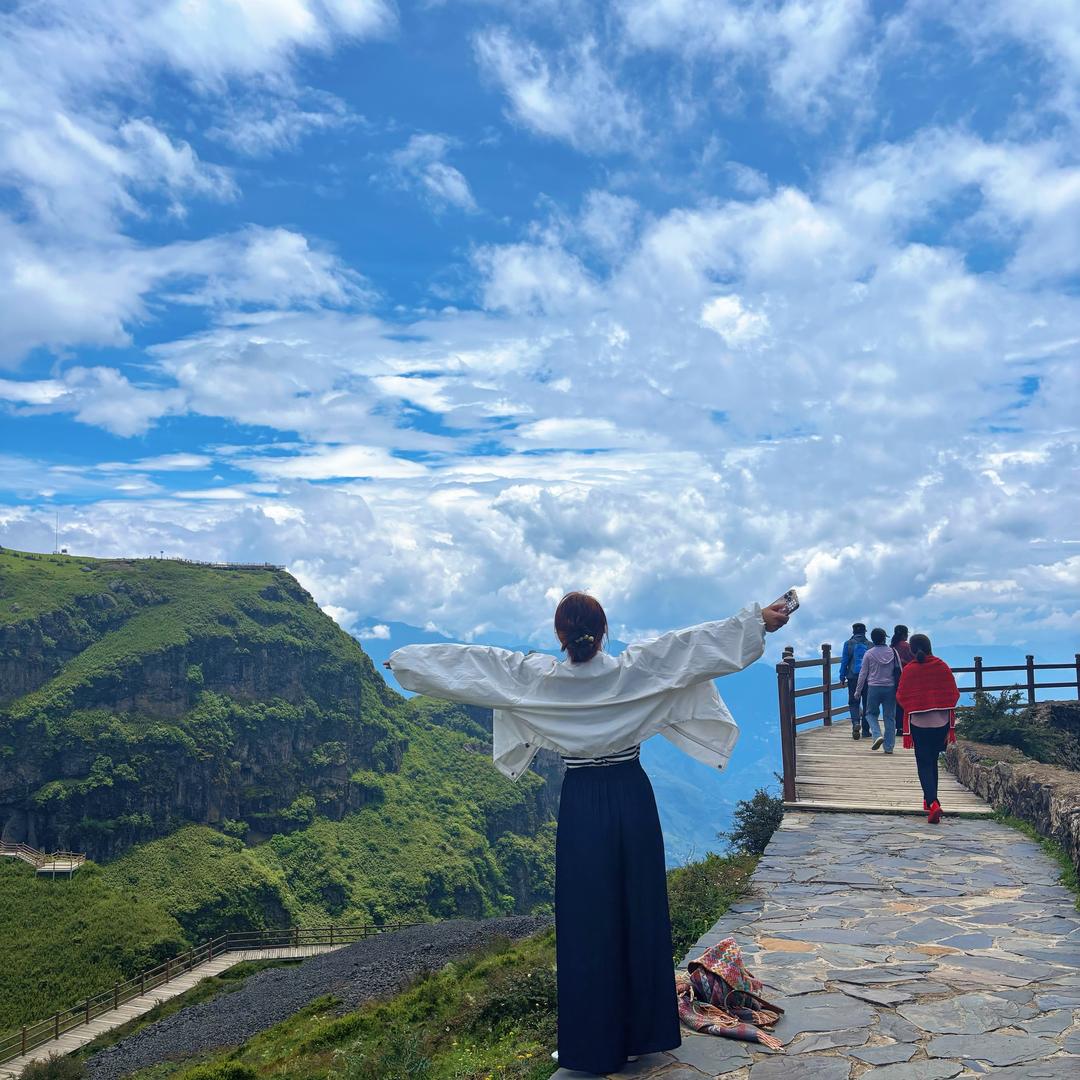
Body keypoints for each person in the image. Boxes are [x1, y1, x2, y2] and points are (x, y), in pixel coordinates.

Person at [385, 593, 791, 1076]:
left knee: (587, 922)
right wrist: (757, 623)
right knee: (639, 909)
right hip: (631, 796)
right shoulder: (636, 671)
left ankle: (594, 1043)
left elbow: (478, 666)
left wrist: (409, 663)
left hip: (581, 803)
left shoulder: (539, 679)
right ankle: (645, 1033)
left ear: (561, 635)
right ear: (603, 632)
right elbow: (692, 648)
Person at [897, 633, 959, 824]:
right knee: (932, 761)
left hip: (919, 724)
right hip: (941, 723)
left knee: (923, 763)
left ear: (912, 650)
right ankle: (931, 799)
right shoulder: (941, 666)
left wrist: (918, 703)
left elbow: (901, 696)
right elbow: (953, 693)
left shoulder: (910, 670)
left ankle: (932, 802)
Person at [856, 628, 902, 753]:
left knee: (870, 714)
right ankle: (889, 747)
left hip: (874, 687)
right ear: (884, 638)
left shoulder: (869, 653)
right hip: (890, 688)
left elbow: (863, 673)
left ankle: (877, 735)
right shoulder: (893, 652)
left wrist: (858, 691)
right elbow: (900, 670)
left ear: (873, 639)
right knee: (889, 717)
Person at [838, 623, 871, 739]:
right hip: (868, 678)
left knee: (853, 702)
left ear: (853, 632)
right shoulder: (870, 645)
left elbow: (844, 661)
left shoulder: (848, 644)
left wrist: (842, 677)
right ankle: (866, 731)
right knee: (867, 703)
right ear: (865, 632)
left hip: (852, 677)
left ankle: (856, 723)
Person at [891, 625, 915, 736]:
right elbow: (914, 661)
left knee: (897, 702)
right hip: (907, 677)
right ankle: (908, 725)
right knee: (907, 702)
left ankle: (899, 727)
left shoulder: (891, 647)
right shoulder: (907, 647)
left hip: (893, 678)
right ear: (905, 634)